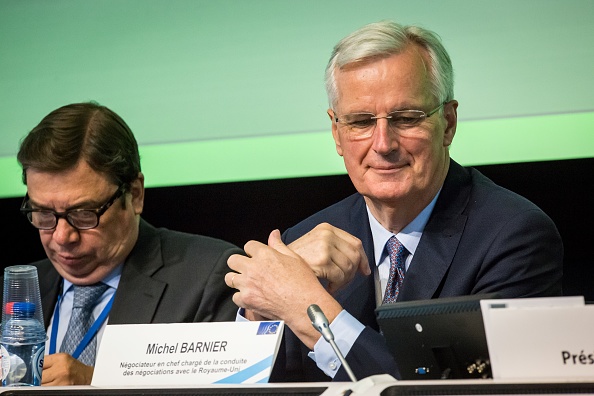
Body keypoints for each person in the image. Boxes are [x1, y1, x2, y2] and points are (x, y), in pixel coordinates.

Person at [226, 20, 564, 382]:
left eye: (406, 118)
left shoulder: (515, 237)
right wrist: (262, 313)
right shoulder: (304, 239)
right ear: (337, 134)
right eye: (360, 122)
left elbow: (460, 390)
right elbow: (254, 386)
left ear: (448, 123)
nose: (383, 144)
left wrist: (309, 310)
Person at [16, 102, 242, 386]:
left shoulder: (208, 278)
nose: (62, 237)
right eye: (44, 214)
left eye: (84, 213)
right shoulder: (14, 290)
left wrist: (95, 384)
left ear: (134, 195)